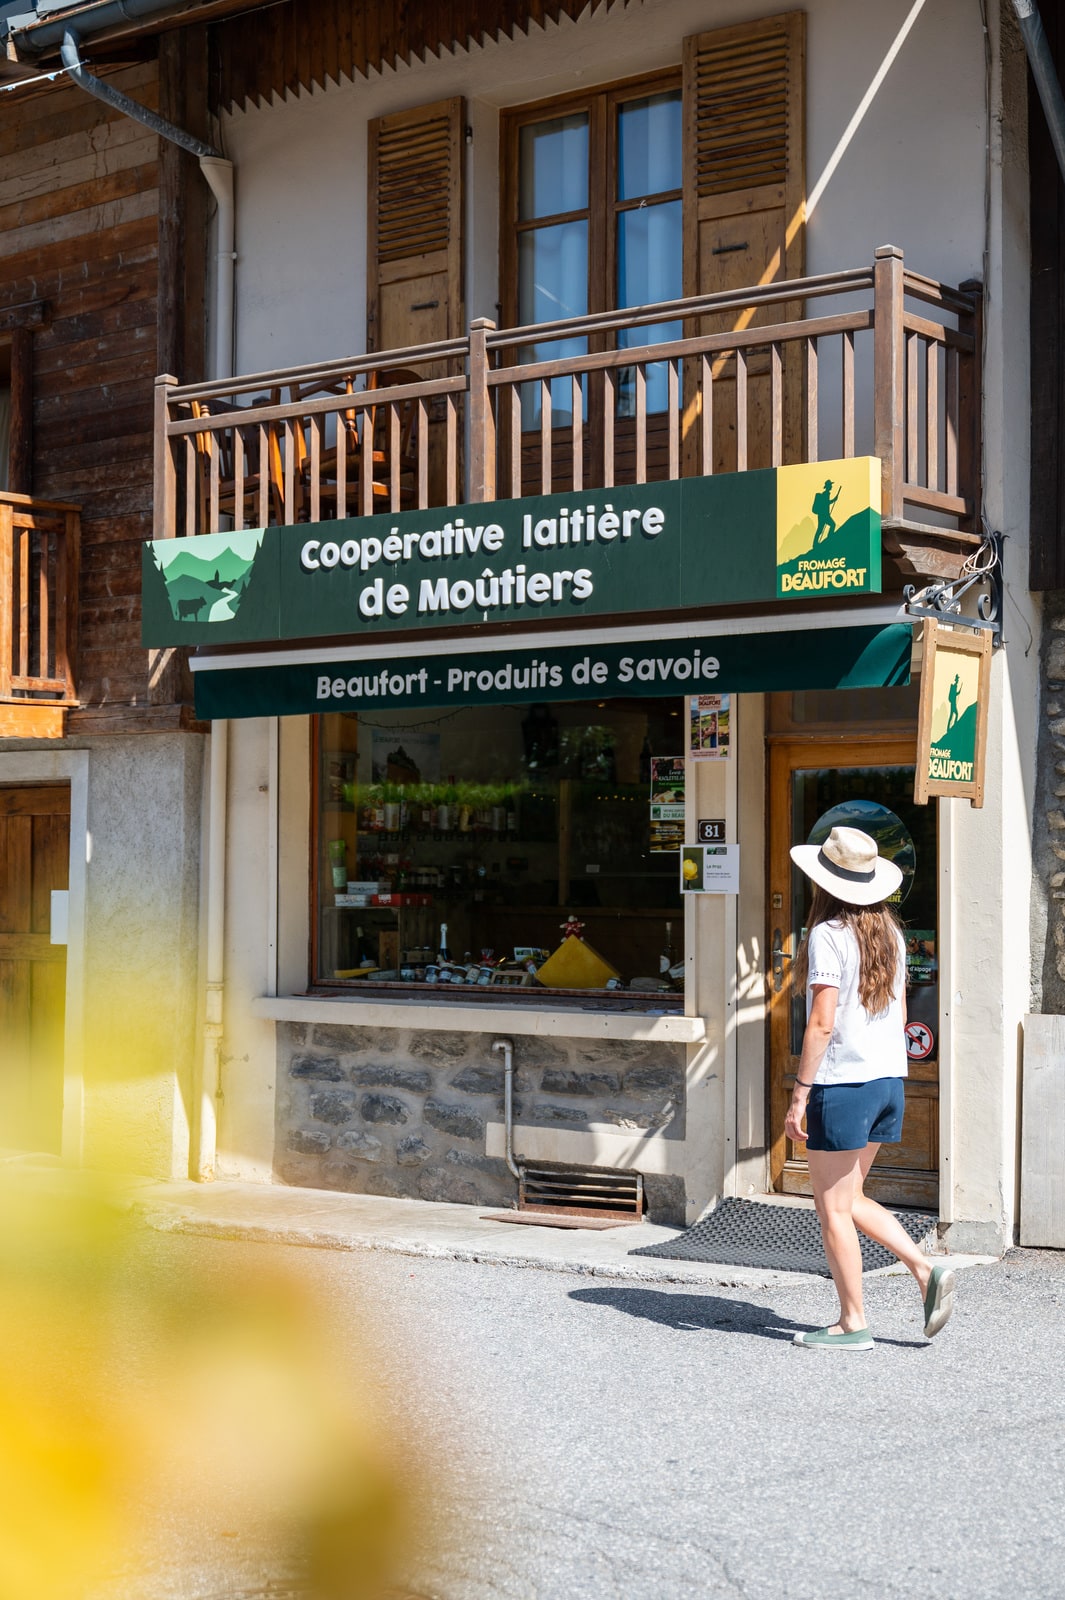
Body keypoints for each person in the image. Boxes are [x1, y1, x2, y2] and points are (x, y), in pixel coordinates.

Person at [784, 825, 955, 1351]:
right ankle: (924, 1271)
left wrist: (799, 1093)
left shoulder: (828, 934)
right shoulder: (892, 935)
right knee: (851, 1196)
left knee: (832, 1207)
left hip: (844, 1082)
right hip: (887, 1080)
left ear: (824, 883)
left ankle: (853, 1322)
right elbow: (900, 1011)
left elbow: (821, 1023)